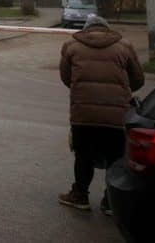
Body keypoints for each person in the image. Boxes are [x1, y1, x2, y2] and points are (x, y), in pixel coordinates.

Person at [57, 14, 144, 214]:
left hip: (83, 114)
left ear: (87, 28)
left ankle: (80, 195)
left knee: (83, 155)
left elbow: (66, 77)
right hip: (116, 116)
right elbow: (138, 79)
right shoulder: (124, 46)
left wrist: (80, 88)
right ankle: (110, 201)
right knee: (116, 158)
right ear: (107, 28)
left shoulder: (71, 46)